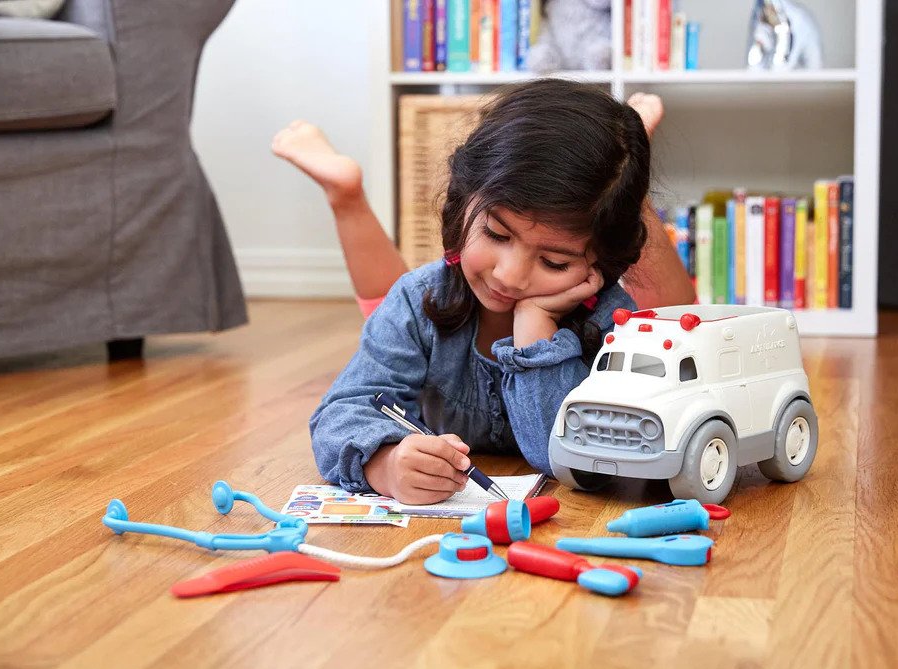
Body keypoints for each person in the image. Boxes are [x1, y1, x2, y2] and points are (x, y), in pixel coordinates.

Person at [273, 79, 694, 504]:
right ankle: (347, 196)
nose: (510, 276)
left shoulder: (611, 322)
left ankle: (630, 169)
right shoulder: (418, 298)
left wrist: (536, 332)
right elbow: (340, 412)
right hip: (431, 306)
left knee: (672, 321)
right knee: (388, 299)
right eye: (496, 233)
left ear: (601, 266)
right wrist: (385, 462)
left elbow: (565, 456)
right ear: (463, 200)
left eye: (554, 262)